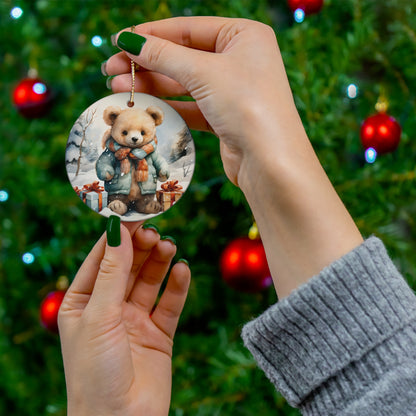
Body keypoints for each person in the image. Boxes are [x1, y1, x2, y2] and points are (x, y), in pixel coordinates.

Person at [58, 17, 416, 415]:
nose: (135, 139)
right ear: (113, 126)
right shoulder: (111, 146)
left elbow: (386, 383)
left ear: (153, 127)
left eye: (141, 134)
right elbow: (385, 382)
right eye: (128, 135)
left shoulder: (154, 147)